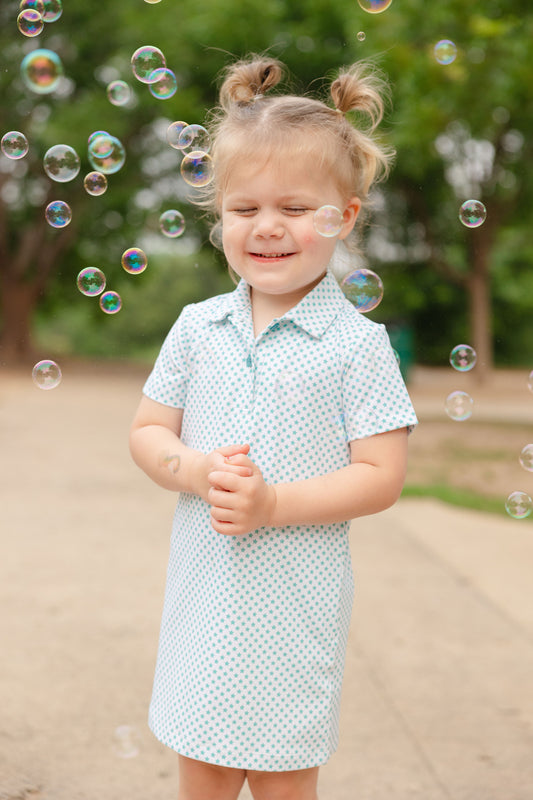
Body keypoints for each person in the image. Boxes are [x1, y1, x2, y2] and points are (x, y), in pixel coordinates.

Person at [129, 54, 418, 800]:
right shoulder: (198, 328)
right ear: (217, 212)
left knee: (285, 772)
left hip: (294, 605)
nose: (267, 227)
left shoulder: (357, 344)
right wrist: (191, 470)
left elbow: (380, 477)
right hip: (206, 596)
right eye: (244, 208)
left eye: (294, 208)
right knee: (205, 765)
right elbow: (148, 431)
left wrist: (272, 506)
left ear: (343, 217)